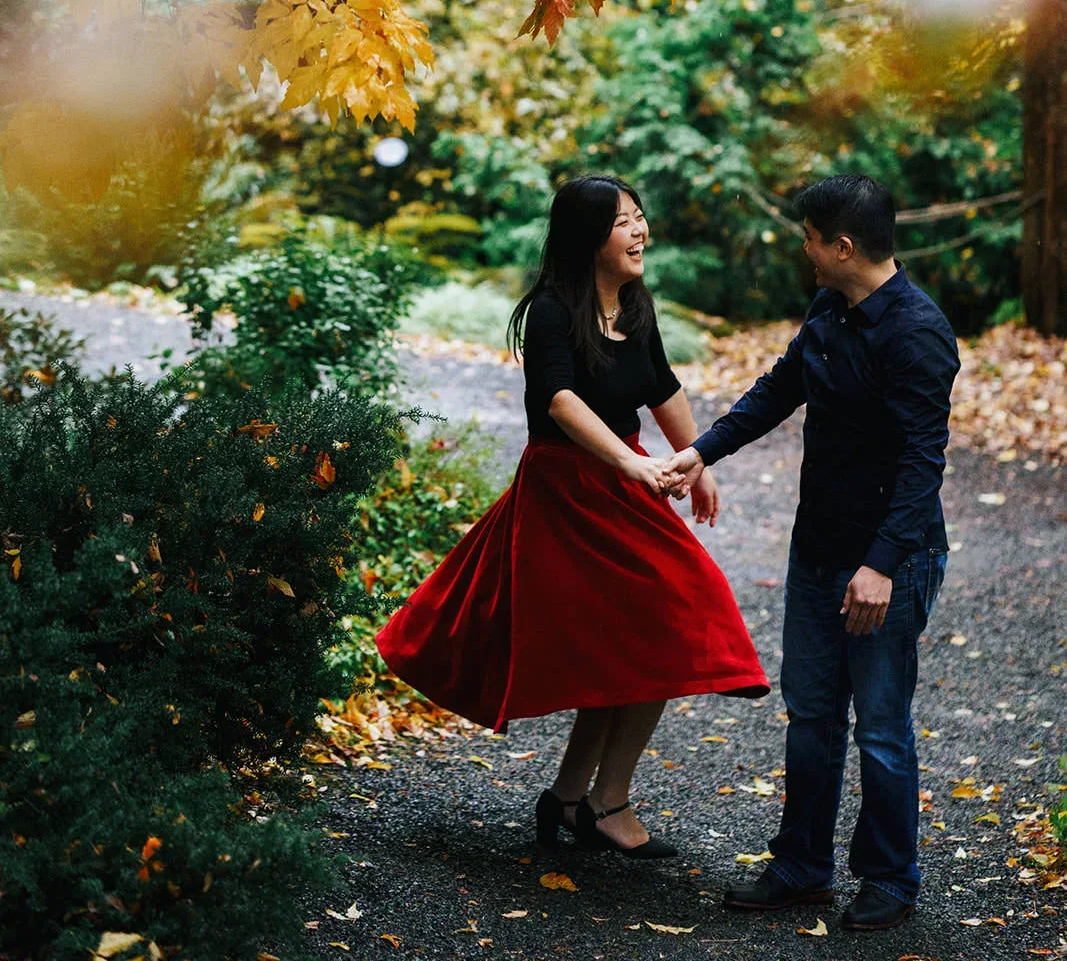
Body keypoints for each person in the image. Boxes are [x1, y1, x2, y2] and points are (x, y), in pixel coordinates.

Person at [377, 174, 768, 858]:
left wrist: (695, 460)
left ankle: (572, 799)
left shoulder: (636, 307)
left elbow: (662, 386)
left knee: (640, 636)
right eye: (624, 221)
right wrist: (631, 463)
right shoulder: (552, 310)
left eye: (641, 217)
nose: (640, 230)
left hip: (623, 483)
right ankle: (603, 803)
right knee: (658, 625)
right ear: (590, 238)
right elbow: (558, 399)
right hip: (566, 493)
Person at [663, 174, 959, 931]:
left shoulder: (916, 333)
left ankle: (890, 879)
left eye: (809, 238)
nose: (804, 250)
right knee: (811, 716)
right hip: (817, 549)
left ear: (843, 246)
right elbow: (778, 387)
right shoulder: (832, 305)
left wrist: (881, 566)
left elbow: (923, 463)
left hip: (886, 560)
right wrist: (702, 452)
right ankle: (800, 869)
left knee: (882, 727)